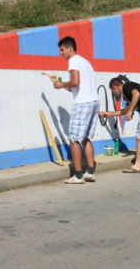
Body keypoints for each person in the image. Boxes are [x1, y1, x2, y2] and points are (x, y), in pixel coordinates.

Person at [53, 36, 99, 184]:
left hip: (83, 104)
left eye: (62, 50)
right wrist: (62, 84)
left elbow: (75, 81)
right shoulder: (86, 62)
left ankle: (78, 175)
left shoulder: (73, 61)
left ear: (69, 48)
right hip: (93, 101)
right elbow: (77, 88)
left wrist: (61, 85)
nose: (61, 53)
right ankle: (90, 171)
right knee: (86, 138)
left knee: (74, 139)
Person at [100, 77, 140, 173]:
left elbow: (137, 94)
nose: (114, 94)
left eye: (113, 91)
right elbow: (124, 111)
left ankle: (138, 165)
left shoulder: (127, 86)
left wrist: (130, 111)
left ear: (115, 87)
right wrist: (109, 114)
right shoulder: (128, 94)